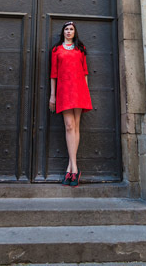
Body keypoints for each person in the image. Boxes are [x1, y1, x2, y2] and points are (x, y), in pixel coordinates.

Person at [49, 21, 93, 186]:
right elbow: (53, 73)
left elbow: (85, 72)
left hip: (79, 90)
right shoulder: (56, 50)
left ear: (75, 32)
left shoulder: (80, 49)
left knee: (76, 126)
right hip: (64, 91)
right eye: (66, 29)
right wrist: (52, 96)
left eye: (71, 29)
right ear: (63, 32)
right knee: (69, 125)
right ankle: (74, 168)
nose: (68, 31)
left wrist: (86, 91)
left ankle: (70, 169)